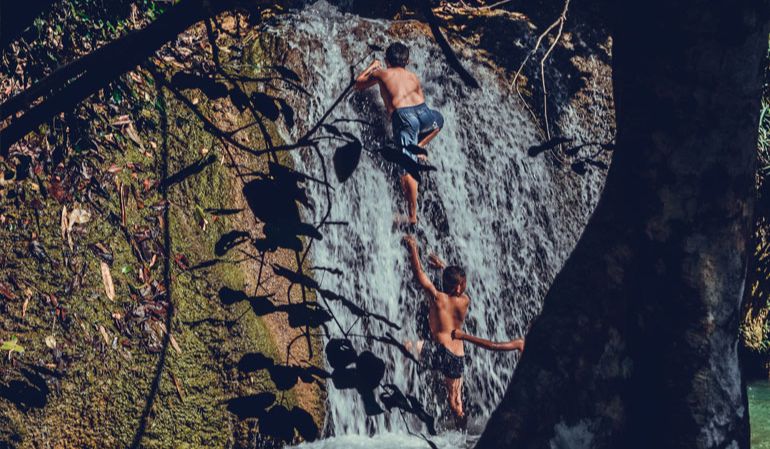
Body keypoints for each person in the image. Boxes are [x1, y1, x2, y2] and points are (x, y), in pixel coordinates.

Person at [354, 42, 444, 225]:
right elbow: (419, 99)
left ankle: (412, 216)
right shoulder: (413, 76)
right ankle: (420, 145)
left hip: (404, 118)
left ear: (387, 60)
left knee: (407, 166)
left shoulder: (382, 73)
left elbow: (358, 83)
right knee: (439, 120)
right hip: (424, 114)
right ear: (408, 61)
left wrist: (372, 66)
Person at [403, 234, 469, 425]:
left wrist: (413, 249)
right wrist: (443, 267)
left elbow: (420, 276)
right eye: (463, 283)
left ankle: (406, 380)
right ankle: (461, 423)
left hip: (440, 351)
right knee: (455, 401)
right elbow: (457, 286)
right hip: (458, 357)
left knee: (407, 346)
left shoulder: (438, 298)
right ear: (459, 287)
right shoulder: (465, 301)